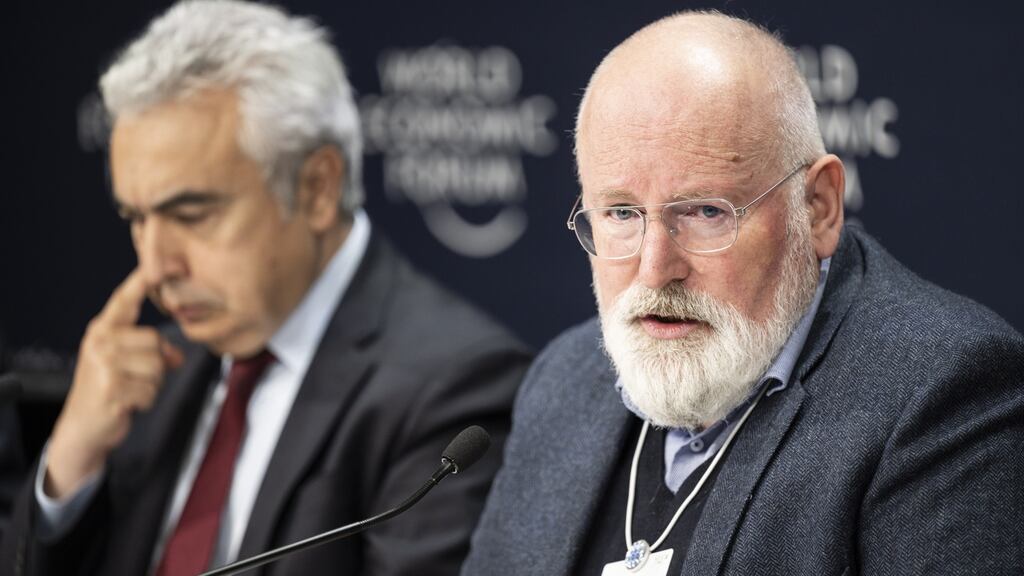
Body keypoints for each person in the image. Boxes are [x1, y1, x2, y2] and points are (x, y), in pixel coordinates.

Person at [462, 10, 1024, 576]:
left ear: (818, 207)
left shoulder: (942, 392)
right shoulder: (563, 379)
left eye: (706, 212)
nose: (656, 270)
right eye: (622, 213)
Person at [0, 1, 530, 575]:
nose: (155, 267)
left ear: (317, 188)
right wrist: (71, 465)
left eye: (192, 213)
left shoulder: (453, 387)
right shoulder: (154, 372)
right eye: (136, 218)